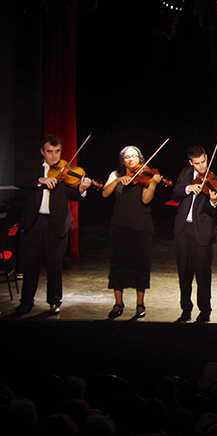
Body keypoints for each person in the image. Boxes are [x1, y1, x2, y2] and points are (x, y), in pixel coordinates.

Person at [16, 134, 92, 315]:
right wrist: (40, 180)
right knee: (30, 264)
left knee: (55, 265)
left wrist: (82, 189)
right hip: (35, 221)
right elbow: (19, 181)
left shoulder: (65, 170)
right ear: (42, 151)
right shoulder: (33, 166)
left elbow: (73, 194)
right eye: (50, 152)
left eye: (57, 152)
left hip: (56, 222)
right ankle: (26, 302)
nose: (54, 156)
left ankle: (54, 301)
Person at [101, 146, 162, 319]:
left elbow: (146, 199)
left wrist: (154, 183)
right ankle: (118, 303)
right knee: (117, 264)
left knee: (141, 264)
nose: (131, 159)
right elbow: (105, 193)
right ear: (122, 159)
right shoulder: (115, 175)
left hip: (141, 226)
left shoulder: (145, 174)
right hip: (119, 225)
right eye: (127, 157)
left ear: (140, 158)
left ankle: (140, 304)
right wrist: (118, 181)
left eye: (134, 156)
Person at [172, 145, 217, 323]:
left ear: (207, 158)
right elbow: (175, 193)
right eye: (197, 164)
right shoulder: (185, 174)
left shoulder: (215, 181)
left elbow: (211, 212)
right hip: (182, 231)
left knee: (203, 274)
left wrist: (213, 201)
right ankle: (185, 310)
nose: (202, 167)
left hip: (201, 232)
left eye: (203, 162)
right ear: (190, 163)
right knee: (184, 274)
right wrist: (188, 188)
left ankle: (205, 311)